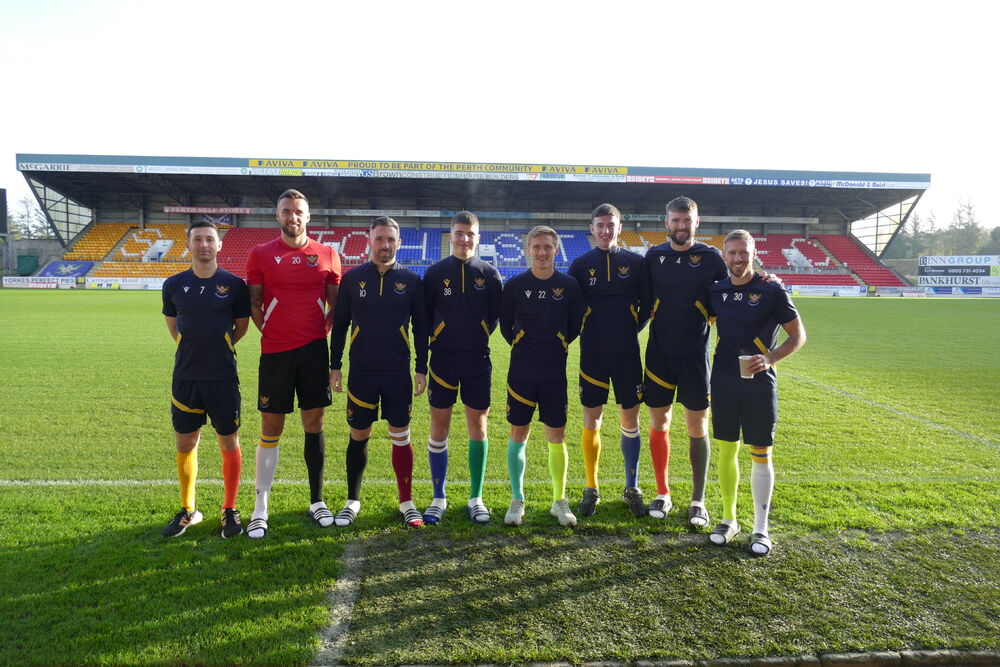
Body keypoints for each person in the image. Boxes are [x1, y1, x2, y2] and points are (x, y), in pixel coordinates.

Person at [245, 189, 342, 538]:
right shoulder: (259, 254)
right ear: (278, 216)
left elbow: (335, 306)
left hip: (314, 352)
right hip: (275, 353)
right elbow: (255, 303)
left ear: (308, 216)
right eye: (286, 211)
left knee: (313, 424)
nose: (293, 217)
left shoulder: (328, 254)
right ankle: (261, 507)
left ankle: (316, 501)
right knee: (271, 428)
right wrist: (271, 329)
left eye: (298, 211)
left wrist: (321, 329)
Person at [707, 230, 805, 555]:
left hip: (759, 383)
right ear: (725, 255)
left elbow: (798, 335)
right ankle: (728, 519)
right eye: (732, 253)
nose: (738, 259)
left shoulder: (771, 289)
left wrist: (771, 358)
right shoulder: (717, 290)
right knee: (726, 449)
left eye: (743, 253)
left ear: (753, 252)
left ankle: (761, 530)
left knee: (761, 452)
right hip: (722, 380)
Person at [329, 216, 429, 527]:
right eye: (379, 239)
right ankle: (352, 501)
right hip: (361, 371)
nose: (384, 245)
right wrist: (335, 366)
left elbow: (422, 328)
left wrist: (421, 369)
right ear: (369, 242)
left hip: (397, 371)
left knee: (401, 435)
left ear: (399, 243)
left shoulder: (412, 281)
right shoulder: (352, 278)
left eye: (390, 240)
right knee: (359, 434)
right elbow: (341, 325)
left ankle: (407, 502)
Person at [641, 196, 728, 526]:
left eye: (686, 220)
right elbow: (640, 300)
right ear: (667, 223)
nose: (681, 226)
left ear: (696, 222)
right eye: (675, 220)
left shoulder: (711, 258)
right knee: (659, 423)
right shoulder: (654, 257)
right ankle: (662, 492)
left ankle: (698, 500)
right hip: (659, 355)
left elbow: (733, 287)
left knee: (697, 426)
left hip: (695, 356)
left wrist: (765, 279)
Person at [161, 220, 251, 538]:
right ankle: (188, 509)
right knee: (186, 441)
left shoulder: (234, 285)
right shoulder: (173, 285)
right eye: (197, 239)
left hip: (223, 377)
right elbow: (174, 327)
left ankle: (229, 509)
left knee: (228, 440)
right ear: (188, 245)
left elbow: (241, 327)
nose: (203, 245)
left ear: (219, 245)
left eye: (209, 239)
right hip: (186, 378)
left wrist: (218, 347)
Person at [421, 211, 503, 524]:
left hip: (477, 359)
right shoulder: (434, 273)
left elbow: (496, 317)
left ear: (478, 237)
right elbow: (425, 317)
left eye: (470, 233)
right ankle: (438, 497)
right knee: (439, 425)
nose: (464, 238)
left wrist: (478, 332)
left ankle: (476, 497)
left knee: (477, 426)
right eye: (459, 233)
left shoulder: (490, 274)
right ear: (450, 235)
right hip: (442, 358)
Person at [567, 204, 649, 517]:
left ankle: (632, 487)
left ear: (619, 226)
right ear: (592, 228)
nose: (605, 231)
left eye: (610, 225)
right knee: (593, 419)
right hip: (592, 355)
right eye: (600, 225)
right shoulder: (579, 265)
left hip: (628, 354)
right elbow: (572, 309)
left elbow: (646, 306)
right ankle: (591, 487)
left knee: (630, 421)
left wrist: (629, 326)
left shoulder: (635, 263)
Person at [499, 225, 584, 526]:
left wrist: (558, 342)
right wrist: (523, 343)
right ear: (527, 250)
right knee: (517, 434)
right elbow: (505, 325)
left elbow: (574, 325)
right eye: (536, 246)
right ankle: (516, 499)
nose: (542, 252)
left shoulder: (570, 286)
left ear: (556, 249)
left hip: (554, 374)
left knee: (556, 436)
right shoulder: (514, 286)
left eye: (548, 246)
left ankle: (559, 501)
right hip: (521, 372)